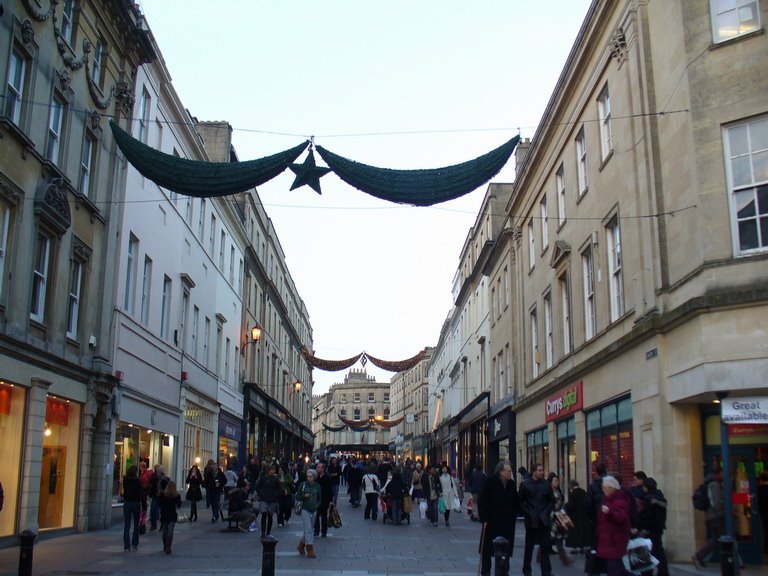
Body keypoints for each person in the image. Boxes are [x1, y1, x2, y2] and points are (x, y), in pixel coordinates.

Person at [477, 460, 519, 576]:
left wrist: (514, 516)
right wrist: (484, 519)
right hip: (491, 523)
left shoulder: (511, 484)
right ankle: (485, 573)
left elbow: (516, 502)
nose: (511, 473)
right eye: (509, 471)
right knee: (487, 551)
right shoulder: (490, 482)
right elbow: (482, 501)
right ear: (501, 472)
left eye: (511, 471)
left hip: (506, 524)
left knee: (504, 552)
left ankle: (503, 573)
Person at [518, 463, 555, 576]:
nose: (542, 472)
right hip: (531, 520)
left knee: (545, 547)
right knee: (529, 547)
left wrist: (547, 512)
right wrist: (527, 513)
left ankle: (546, 571)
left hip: (544, 520)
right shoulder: (525, 485)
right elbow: (520, 501)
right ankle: (527, 570)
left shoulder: (546, 484)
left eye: (542, 470)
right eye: (539, 470)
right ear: (533, 471)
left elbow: (551, 500)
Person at [595, 475, 632, 576]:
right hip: (608, 540)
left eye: (605, 488)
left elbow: (621, 517)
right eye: (603, 487)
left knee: (613, 569)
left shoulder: (620, 500)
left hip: (615, 541)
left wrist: (610, 512)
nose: (603, 490)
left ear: (612, 488)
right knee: (617, 568)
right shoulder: (607, 499)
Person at [693, 467, 725, 568]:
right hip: (715, 517)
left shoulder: (712, 483)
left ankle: (701, 557)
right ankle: (699, 556)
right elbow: (715, 502)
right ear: (719, 473)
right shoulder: (714, 484)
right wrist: (722, 511)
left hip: (712, 516)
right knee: (718, 538)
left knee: (717, 538)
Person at [638, 477, 669, 576]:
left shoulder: (648, 499)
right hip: (659, 528)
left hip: (650, 529)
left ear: (647, 487)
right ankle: (663, 571)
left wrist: (641, 527)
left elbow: (647, 516)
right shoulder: (660, 497)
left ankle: (648, 572)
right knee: (658, 551)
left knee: (648, 552)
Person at [548, 473, 574, 566]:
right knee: (551, 538)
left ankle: (564, 559)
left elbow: (561, 507)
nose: (557, 482)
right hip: (552, 518)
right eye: (555, 481)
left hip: (559, 518)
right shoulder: (548, 493)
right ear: (550, 482)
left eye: (557, 481)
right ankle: (564, 559)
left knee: (557, 538)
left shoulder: (559, 493)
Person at [296, 468, 321, 558]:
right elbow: (298, 496)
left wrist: (317, 506)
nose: (309, 478)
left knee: (309, 529)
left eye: (310, 477)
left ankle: (301, 545)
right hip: (305, 508)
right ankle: (310, 549)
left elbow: (319, 499)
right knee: (308, 529)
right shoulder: (303, 485)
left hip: (314, 509)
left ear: (314, 477)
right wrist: (304, 496)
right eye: (307, 476)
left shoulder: (317, 486)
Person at [255, 464, 281, 537]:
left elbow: (280, 489)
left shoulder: (275, 480)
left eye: (274, 470)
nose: (274, 471)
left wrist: (276, 496)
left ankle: (268, 532)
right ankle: (263, 533)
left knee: (270, 516)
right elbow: (257, 487)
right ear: (268, 471)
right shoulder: (263, 479)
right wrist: (260, 494)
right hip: (264, 499)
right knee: (264, 515)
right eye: (272, 470)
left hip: (272, 500)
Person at [156, 480, 182, 554]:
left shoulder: (162, 494)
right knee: (170, 531)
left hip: (164, 514)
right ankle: (168, 546)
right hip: (172, 514)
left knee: (165, 531)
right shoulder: (176, 495)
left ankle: (165, 545)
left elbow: (159, 504)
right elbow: (179, 505)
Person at [565, 479, 590, 553]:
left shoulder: (572, 494)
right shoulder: (583, 492)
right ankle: (582, 548)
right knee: (582, 532)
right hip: (583, 516)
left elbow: (571, 505)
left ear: (571, 486)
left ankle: (575, 548)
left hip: (575, 516)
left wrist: (566, 505)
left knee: (574, 532)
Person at [121, 465, 142, 551]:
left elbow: (124, 489)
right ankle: (135, 543)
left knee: (127, 524)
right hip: (136, 503)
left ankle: (126, 546)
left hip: (127, 503)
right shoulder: (137, 481)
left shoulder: (125, 480)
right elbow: (140, 492)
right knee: (136, 524)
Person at [314, 462, 333, 537]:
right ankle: (316, 530)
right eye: (317, 467)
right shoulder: (316, 477)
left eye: (318, 467)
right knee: (316, 515)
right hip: (316, 499)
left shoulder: (327, 477)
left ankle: (324, 531)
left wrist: (331, 500)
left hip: (325, 499)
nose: (317, 468)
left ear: (323, 469)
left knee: (324, 516)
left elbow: (330, 489)